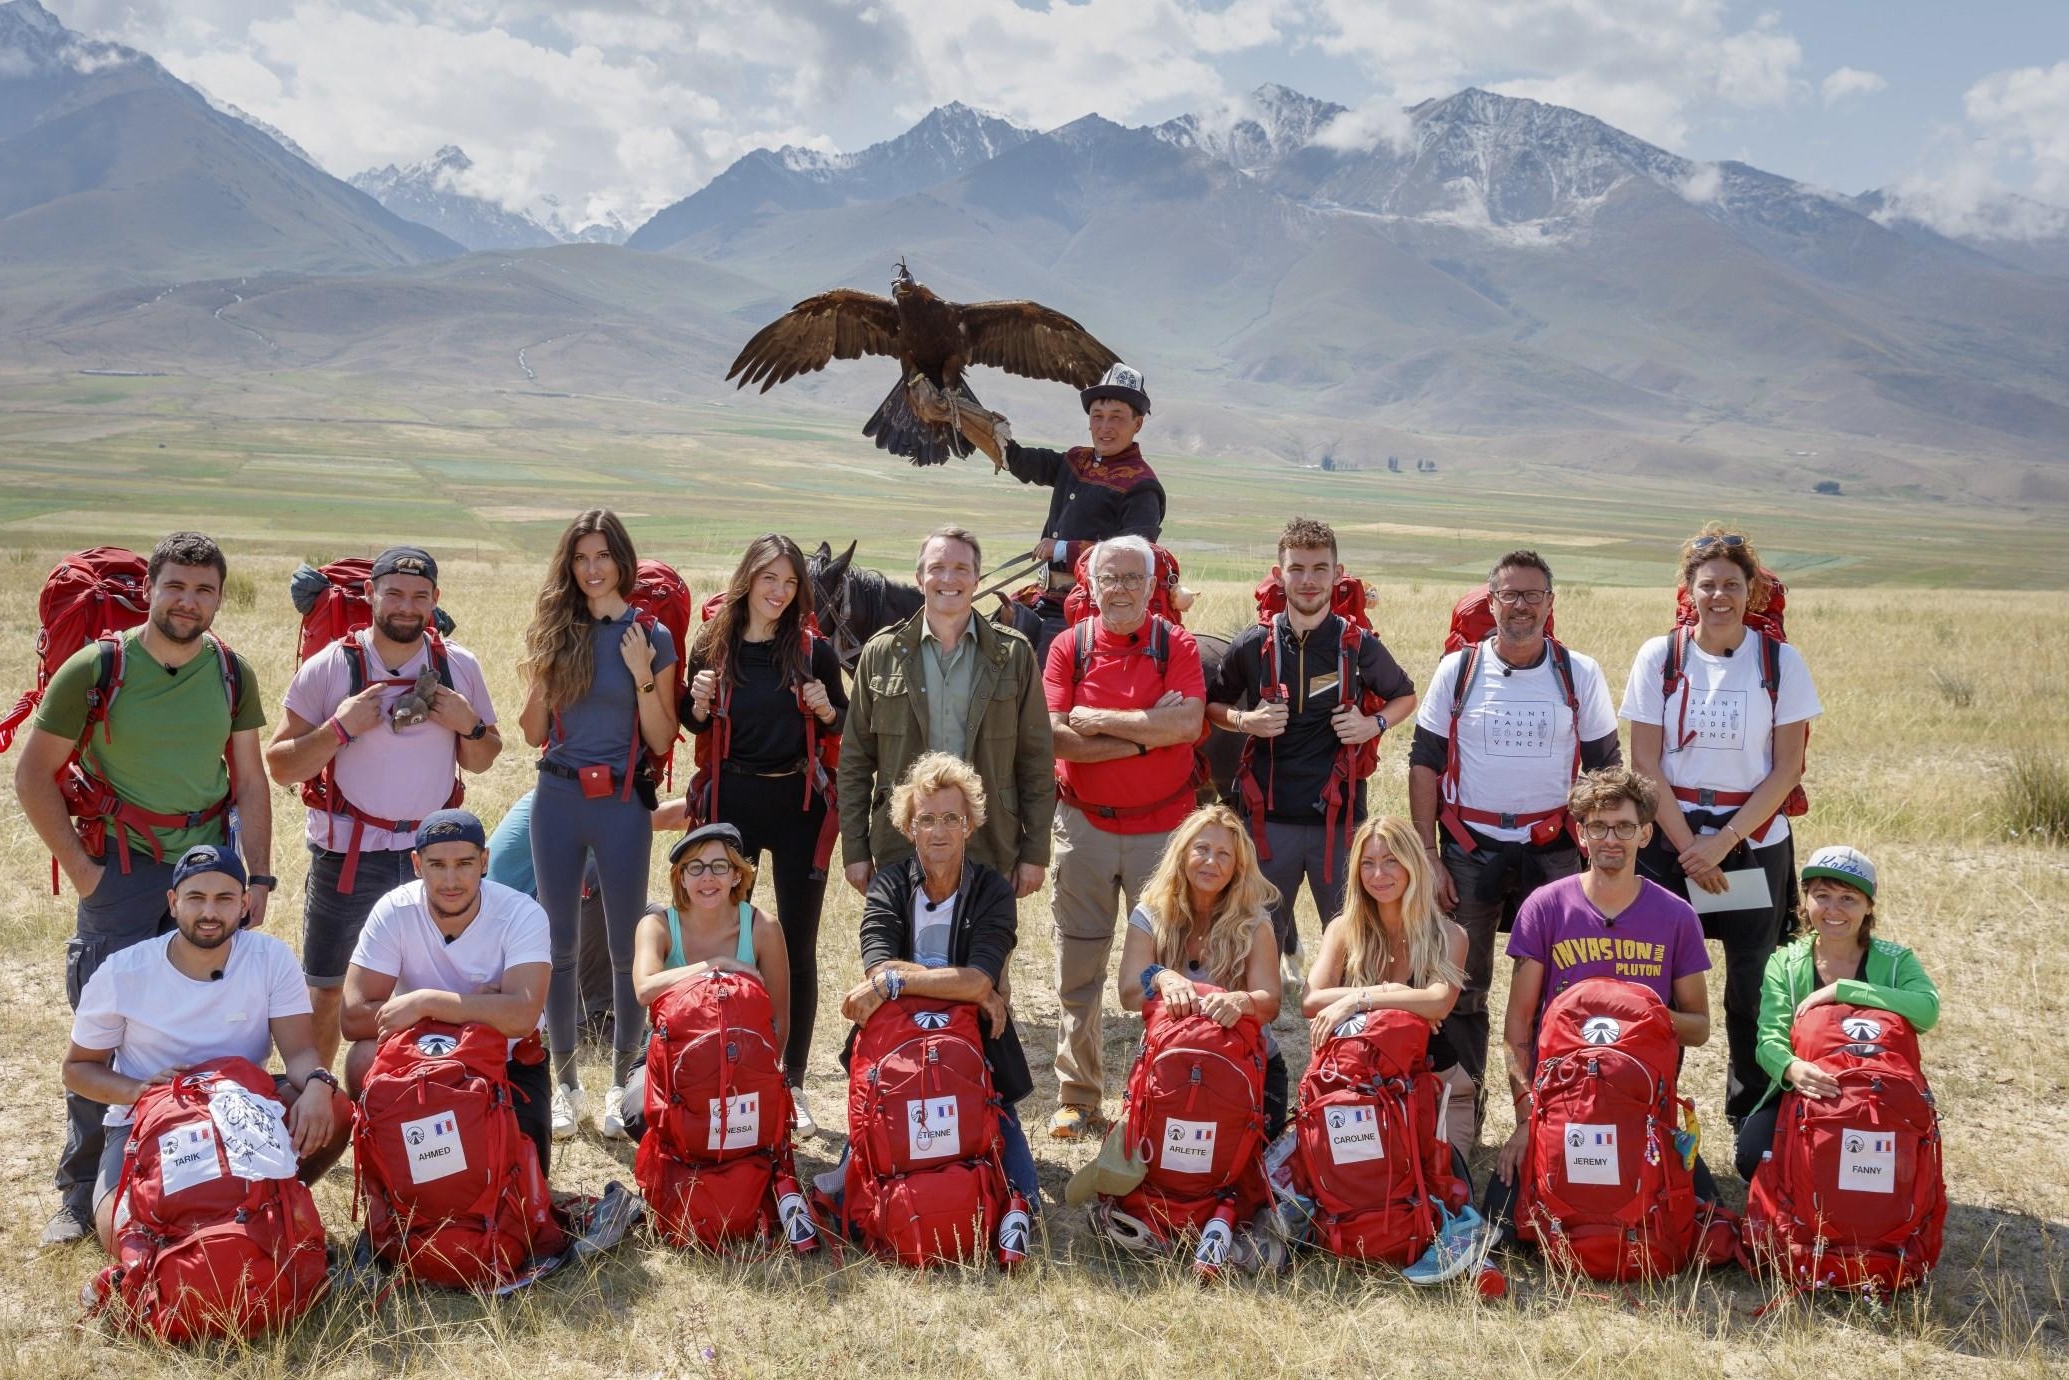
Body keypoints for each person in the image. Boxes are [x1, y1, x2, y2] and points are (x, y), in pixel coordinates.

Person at [14, 531, 275, 1245]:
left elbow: (250, 779)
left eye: (205, 590)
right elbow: (33, 775)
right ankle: (78, 1192)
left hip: (212, 870)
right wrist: (84, 871)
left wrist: (260, 876)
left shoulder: (230, 672)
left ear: (220, 598)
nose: (189, 602)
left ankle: (209, 1167)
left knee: (211, 1015)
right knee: (106, 1034)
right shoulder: (97, 669)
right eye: (176, 587)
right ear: (149, 590)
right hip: (121, 869)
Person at [1406, 549, 1620, 1150]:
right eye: (1509, 594)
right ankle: (1464, 1109)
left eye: (1533, 595)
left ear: (1551, 605)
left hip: (1552, 853)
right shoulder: (1459, 670)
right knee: (1461, 985)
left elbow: (1606, 768)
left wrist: (1600, 854)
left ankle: (1552, 1112)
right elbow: (1423, 762)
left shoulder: (1580, 673)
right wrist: (1427, 853)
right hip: (1469, 850)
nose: (1521, 605)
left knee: (1559, 983)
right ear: (1490, 602)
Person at [266, 544, 502, 1071]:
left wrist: (470, 724)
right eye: (393, 593)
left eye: (419, 596)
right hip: (349, 854)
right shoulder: (330, 666)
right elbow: (280, 765)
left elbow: (484, 758)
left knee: (434, 985)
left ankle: (418, 1101)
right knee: (328, 988)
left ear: (435, 600)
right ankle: (318, 1101)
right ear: (370, 594)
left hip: (435, 857)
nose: (405, 606)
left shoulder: (457, 666)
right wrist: (340, 727)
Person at [1623, 524, 1820, 1125]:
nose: (1719, 596)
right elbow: (1645, 762)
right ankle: (1651, 1105)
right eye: (1707, 584)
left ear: (1752, 590)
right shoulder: (1660, 657)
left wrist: (1723, 841)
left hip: (1753, 843)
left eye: (1732, 584)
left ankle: (1751, 1119)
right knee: (1655, 975)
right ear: (1688, 590)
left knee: (1752, 985)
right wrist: (1689, 847)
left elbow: (1787, 768)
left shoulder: (1781, 662)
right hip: (1670, 840)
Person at [62, 845, 346, 1255]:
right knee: (123, 1239)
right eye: (196, 898)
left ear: (244, 904)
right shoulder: (123, 971)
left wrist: (320, 1083)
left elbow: (300, 1051)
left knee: (334, 1108)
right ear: (173, 903)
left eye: (224, 898)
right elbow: (77, 1069)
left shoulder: (270, 958)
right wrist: (140, 1091)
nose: (209, 912)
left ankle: (276, 1198)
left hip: (246, 1112)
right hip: (148, 1122)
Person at [1484, 768, 1715, 1238]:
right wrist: (1528, 1118)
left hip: (1641, 1107)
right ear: (1581, 834)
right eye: (1598, 827)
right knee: (1501, 1224)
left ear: (1646, 834)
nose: (1612, 838)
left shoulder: (1676, 916)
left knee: (1702, 1220)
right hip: (1564, 1102)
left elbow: (1699, 1026)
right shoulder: (1545, 908)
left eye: (1625, 827)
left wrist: (1634, 1012)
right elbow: (1516, 1030)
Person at [517, 509, 681, 1141]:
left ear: (621, 560)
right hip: (556, 800)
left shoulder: (652, 635)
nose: (591, 569)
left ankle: (619, 1084)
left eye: (602, 556)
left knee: (622, 949)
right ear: (570, 564)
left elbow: (663, 735)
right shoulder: (554, 630)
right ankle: (564, 1088)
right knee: (556, 949)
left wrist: (641, 673)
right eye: (580, 557)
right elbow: (533, 734)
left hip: (620, 807)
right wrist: (543, 672)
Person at [1043, 535, 1206, 1139]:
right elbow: (1057, 737)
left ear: (1152, 584)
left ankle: (1159, 1092)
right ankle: (1078, 1096)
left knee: (1168, 970)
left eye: (1134, 578)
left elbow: (1188, 724)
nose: (1121, 589)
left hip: (1163, 833)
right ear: (1089, 584)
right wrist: (1149, 731)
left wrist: (1108, 725)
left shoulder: (1177, 644)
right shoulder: (1069, 647)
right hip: (1082, 826)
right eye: (1109, 578)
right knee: (1077, 967)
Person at [683, 534, 845, 1134]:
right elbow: (689, 716)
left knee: (797, 946)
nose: (779, 592)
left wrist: (828, 710)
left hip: (799, 803)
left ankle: (794, 1079)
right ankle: (737, 1065)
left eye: (789, 582)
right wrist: (695, 703)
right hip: (733, 805)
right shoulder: (713, 643)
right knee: (727, 941)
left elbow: (844, 719)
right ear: (747, 577)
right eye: (768, 578)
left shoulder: (811, 651)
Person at [830, 753, 1039, 1205]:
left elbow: (978, 979)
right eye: (927, 819)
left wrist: (903, 983)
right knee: (851, 1193)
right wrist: (964, 986)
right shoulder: (888, 885)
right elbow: (880, 968)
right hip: (898, 1045)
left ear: (969, 825)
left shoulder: (992, 891)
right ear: (909, 828)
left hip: (977, 1046)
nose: (939, 831)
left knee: (1025, 1200)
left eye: (951, 818)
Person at [1207, 516, 1416, 962]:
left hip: (1338, 824)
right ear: (1280, 574)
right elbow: (1213, 707)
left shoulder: (1358, 645)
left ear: (1337, 575)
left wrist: (1371, 725)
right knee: (1253, 943)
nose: (1308, 580)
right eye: (1297, 568)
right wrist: (1247, 721)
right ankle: (1255, 1026)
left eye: (1319, 568)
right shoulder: (1253, 644)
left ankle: (1350, 1027)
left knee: (1355, 945)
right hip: (1268, 822)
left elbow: (1405, 695)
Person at [838, 526, 1053, 903]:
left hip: (989, 841)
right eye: (937, 568)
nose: (948, 579)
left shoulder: (1012, 655)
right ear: (920, 579)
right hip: (901, 841)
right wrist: (855, 850)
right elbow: (855, 761)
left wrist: (1034, 853)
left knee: (984, 959)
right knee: (902, 960)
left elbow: (1035, 759)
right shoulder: (882, 653)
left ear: (977, 578)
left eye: (961, 568)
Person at [339, 810, 554, 1173]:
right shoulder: (394, 910)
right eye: (437, 865)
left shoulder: (521, 914)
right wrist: (483, 1007)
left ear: (485, 861)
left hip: (504, 1061)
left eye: (465, 863)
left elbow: (521, 1017)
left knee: (521, 1181)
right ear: (417, 864)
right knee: (361, 1058)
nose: (451, 880)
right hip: (418, 1060)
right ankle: (386, 1176)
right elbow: (353, 1017)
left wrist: (426, 1003)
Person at [1734, 846, 1940, 1181]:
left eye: (1848, 898)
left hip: (1877, 1089)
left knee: (1900, 1171)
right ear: (1805, 900)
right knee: (1753, 1158)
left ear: (1869, 906)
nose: (1833, 909)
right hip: (1809, 1087)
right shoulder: (1784, 963)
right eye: (1822, 895)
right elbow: (1768, 1039)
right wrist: (1792, 1067)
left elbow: (1927, 1010)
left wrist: (1845, 989)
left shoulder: (1896, 961)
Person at [1301, 816, 1472, 1162]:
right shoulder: (1343, 930)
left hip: (1437, 1086)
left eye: (1390, 860)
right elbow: (1310, 1000)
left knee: (1442, 1191)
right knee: (1358, 1189)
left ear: (1412, 864)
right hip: (1358, 1086)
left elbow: (1438, 1002)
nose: (1378, 875)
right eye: (1368, 863)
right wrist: (1402, 998)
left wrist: (1360, 998)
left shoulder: (1450, 936)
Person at [1116, 804, 1287, 1136]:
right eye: (1202, 849)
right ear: (1182, 855)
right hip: (1173, 1059)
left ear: (1238, 867)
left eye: (1224, 854)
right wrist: (1161, 976)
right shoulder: (1150, 913)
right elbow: (1127, 994)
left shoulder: (1254, 922)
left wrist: (1241, 1001)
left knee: (1241, 1174)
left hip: (1244, 1063)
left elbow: (1270, 1002)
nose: (1211, 861)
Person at [977, 362, 1166, 659]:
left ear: (1137, 424)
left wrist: (1064, 549)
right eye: (1097, 416)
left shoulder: (1142, 486)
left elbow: (1137, 557)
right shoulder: (1077, 459)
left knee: (1043, 681)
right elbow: (1032, 464)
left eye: (1116, 418)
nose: (1105, 427)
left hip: (1086, 605)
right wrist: (995, 440)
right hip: (1041, 595)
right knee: (979, 643)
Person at [619, 823, 792, 1143]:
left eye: (719, 866)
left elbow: (780, 1018)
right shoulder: (656, 925)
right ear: (681, 878)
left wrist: (762, 1074)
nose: (707, 877)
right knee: (637, 1114)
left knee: (756, 1119)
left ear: (736, 875)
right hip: (671, 1049)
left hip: (743, 1052)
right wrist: (715, 965)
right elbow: (644, 989)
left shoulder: (762, 926)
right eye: (695, 868)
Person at [485, 790, 689, 1045]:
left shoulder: (579, 792)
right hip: (503, 939)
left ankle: (679, 1008)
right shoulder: (570, 798)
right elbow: (670, 818)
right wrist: (722, 797)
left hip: (528, 918)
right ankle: (587, 1016)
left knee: (653, 920)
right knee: (604, 883)